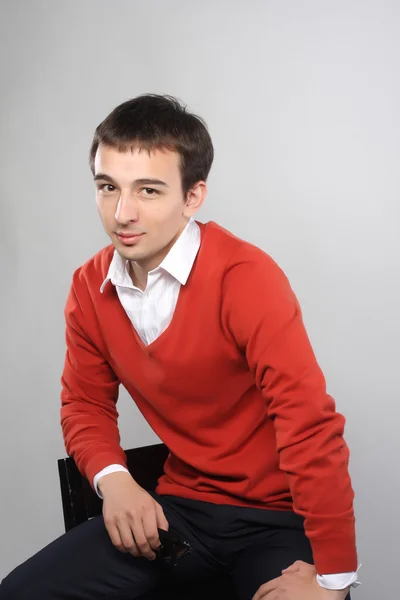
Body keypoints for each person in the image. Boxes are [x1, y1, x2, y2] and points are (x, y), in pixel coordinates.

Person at [0, 94, 359, 600]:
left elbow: (308, 424)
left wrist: (335, 578)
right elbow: (84, 403)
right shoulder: (88, 286)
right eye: (108, 188)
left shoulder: (245, 277)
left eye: (148, 190)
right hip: (181, 512)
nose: (123, 213)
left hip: (278, 519)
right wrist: (115, 481)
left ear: (193, 197)